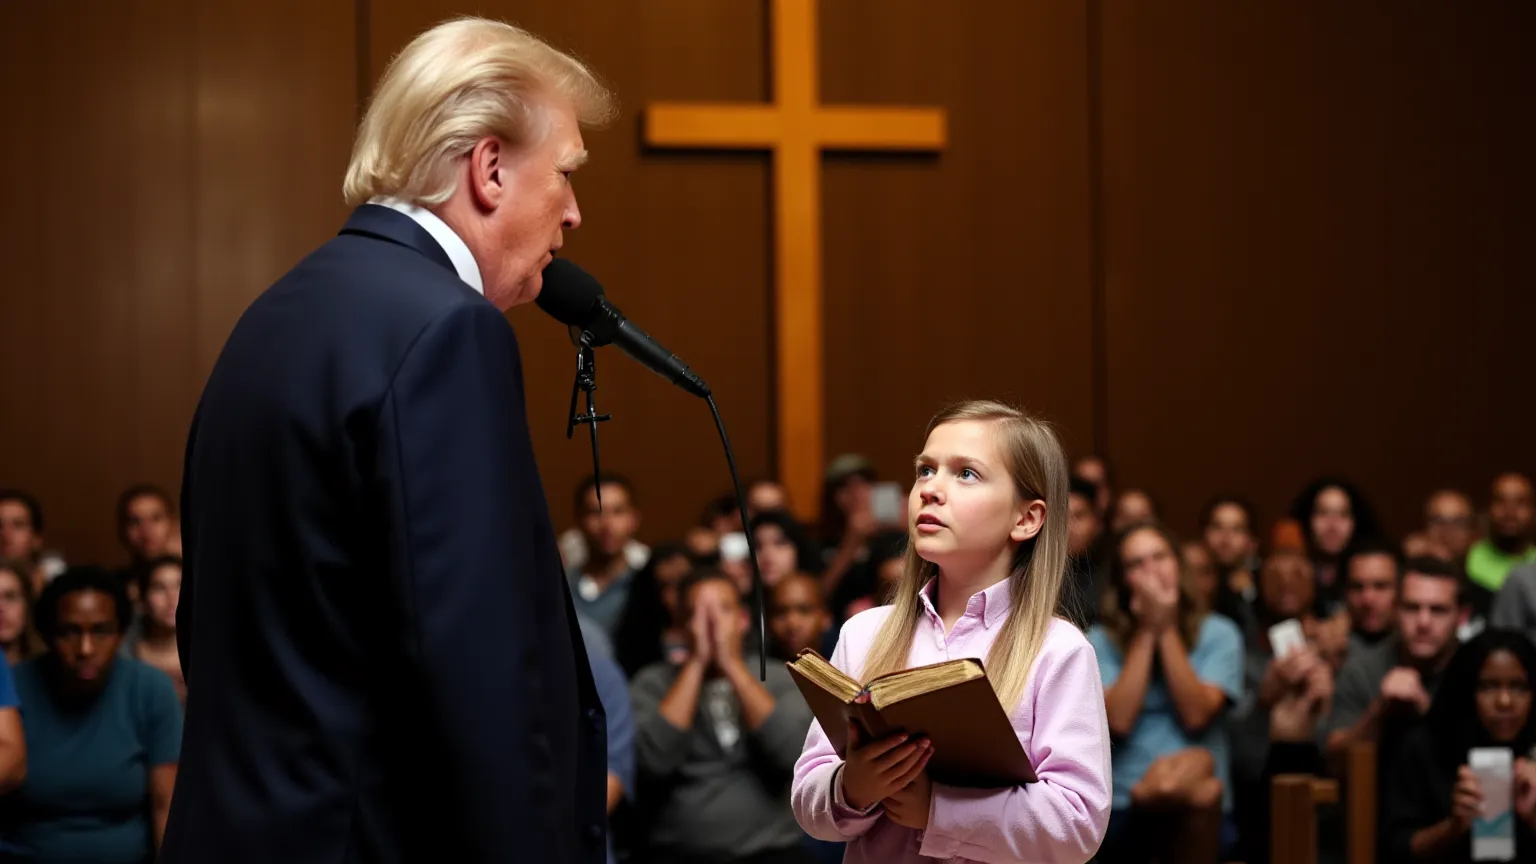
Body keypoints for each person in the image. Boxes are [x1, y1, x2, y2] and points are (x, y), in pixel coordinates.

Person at [162, 18, 617, 864]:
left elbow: (216, 629)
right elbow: (476, 681)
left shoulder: (272, 318)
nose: (574, 213)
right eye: (564, 175)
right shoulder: (450, 332)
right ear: (489, 169)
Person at [791, 400, 1112, 863]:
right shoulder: (864, 633)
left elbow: (1077, 824)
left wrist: (938, 809)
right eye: (925, 470)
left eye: (966, 474)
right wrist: (852, 787)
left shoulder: (1058, 650)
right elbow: (807, 799)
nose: (931, 490)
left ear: (1026, 519)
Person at [5, 567, 178, 864]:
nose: (85, 648)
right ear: (47, 634)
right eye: (68, 633)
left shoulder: (150, 690)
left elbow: (167, 808)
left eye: (100, 632)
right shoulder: (12, 687)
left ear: (121, 633)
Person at [1382, 629, 1536, 861]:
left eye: (1518, 687)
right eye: (1488, 687)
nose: (1504, 701)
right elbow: (1396, 849)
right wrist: (1453, 827)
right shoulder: (1426, 746)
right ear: (1466, 688)